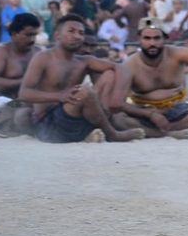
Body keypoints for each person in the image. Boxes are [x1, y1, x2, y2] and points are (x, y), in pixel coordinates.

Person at [18, 14, 145, 143]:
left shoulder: (84, 61)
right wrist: (60, 96)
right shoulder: (43, 57)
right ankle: (112, 134)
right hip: (51, 122)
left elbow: (121, 68)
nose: (77, 36)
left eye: (81, 33)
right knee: (83, 92)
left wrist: (117, 97)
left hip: (76, 115)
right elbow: (24, 93)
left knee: (109, 74)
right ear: (57, 35)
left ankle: (91, 131)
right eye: (71, 31)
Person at [111, 18, 188, 138]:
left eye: (157, 38)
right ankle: (169, 133)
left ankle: (157, 132)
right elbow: (119, 103)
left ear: (164, 39)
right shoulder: (129, 64)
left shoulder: (175, 54)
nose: (152, 43)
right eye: (147, 38)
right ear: (139, 39)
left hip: (176, 109)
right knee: (117, 118)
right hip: (144, 111)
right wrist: (150, 114)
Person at [0, 13, 41, 132]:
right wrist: (23, 82)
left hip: (25, 101)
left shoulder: (38, 53)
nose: (32, 40)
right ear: (14, 34)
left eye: (35, 35)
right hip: (2, 100)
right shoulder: (1, 51)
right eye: (28, 35)